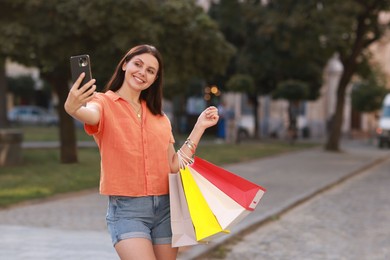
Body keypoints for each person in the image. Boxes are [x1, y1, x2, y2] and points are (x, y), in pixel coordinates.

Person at [64, 44, 219, 260]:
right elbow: (89, 114)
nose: (142, 73)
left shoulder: (160, 118)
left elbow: (173, 165)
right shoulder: (102, 103)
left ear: (155, 79)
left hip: (166, 209)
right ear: (125, 64)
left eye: (150, 71)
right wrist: (73, 108)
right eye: (138, 64)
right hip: (128, 211)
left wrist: (199, 127)